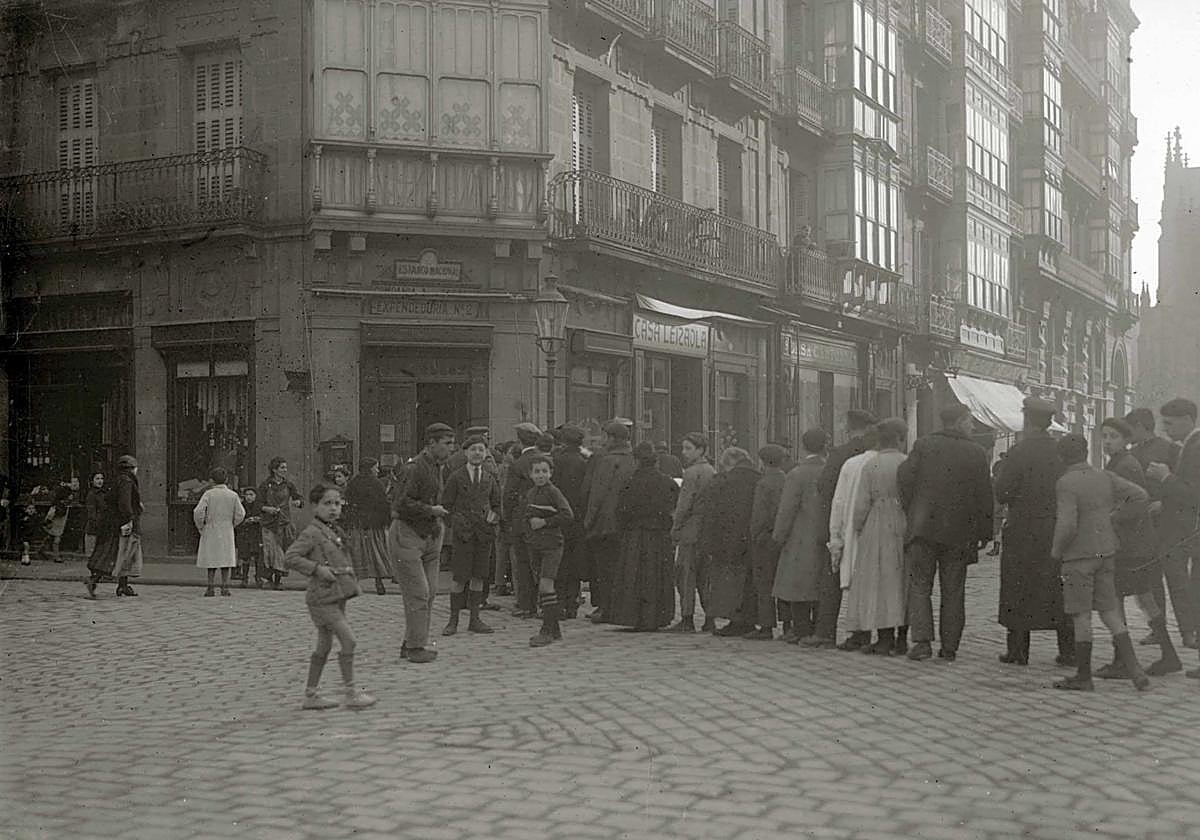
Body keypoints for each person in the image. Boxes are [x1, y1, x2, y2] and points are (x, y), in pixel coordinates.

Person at [1050, 434, 1151, 692]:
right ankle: (1135, 670)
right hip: (1106, 552)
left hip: (1078, 556)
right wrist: (1114, 518)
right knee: (1110, 612)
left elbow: (1067, 524)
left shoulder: (1066, 482)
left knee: (1081, 614)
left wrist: (1056, 551)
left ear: (1061, 457)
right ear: (1085, 452)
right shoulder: (1104, 476)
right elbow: (1140, 495)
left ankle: (1084, 676)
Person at [898, 405, 994, 663]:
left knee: (919, 586)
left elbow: (904, 478)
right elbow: (986, 496)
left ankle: (921, 642)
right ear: (961, 421)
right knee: (953, 591)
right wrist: (985, 532)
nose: (973, 427)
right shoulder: (976, 453)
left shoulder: (923, 445)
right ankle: (950, 647)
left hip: (922, 529)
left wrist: (912, 510)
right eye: (970, 422)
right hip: (960, 534)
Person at [1097, 417, 1180, 677]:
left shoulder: (1125, 465)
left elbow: (1135, 503)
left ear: (1125, 440)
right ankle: (1169, 655)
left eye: (1114, 437)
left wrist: (1109, 517)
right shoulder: (1122, 462)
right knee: (1145, 599)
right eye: (1105, 436)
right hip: (1138, 546)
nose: (1108, 441)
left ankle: (1122, 661)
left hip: (1129, 547)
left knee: (1117, 600)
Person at [994, 397, 1074, 666]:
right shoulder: (1061, 452)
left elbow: (1003, 492)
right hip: (1055, 527)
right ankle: (1068, 650)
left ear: (1027, 420)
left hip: (1023, 529)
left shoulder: (1019, 452)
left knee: (1018, 586)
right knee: (1058, 587)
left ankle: (1018, 650)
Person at [284, 482, 376, 711]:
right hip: (321, 598)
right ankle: (351, 693)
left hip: (336, 595)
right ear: (314, 506)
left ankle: (311, 695)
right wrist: (316, 569)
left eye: (337, 503)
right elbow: (291, 557)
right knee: (349, 641)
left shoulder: (333, 530)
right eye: (327, 504)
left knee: (324, 647)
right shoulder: (312, 532)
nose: (333, 508)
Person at [803, 409, 877, 649]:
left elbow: (825, 486)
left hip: (841, 521)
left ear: (849, 426)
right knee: (863, 577)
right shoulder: (875, 452)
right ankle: (862, 632)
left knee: (831, 578)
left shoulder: (842, 453)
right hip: (872, 521)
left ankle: (825, 632)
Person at [390, 422, 455, 664]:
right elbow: (400, 504)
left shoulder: (440, 467)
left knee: (430, 592)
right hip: (407, 535)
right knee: (419, 593)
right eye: (447, 443)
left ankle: (411, 642)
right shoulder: (413, 468)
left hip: (430, 535)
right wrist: (431, 510)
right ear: (431, 443)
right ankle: (416, 648)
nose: (451, 448)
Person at [843, 418, 909, 656]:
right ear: (901, 439)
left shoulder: (871, 465)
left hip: (877, 522)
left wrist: (859, 527)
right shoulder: (907, 462)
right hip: (902, 520)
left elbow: (861, 504)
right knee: (901, 579)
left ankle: (883, 638)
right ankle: (901, 638)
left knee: (878, 580)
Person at [1145, 398, 1200, 678]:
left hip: (1189, 531)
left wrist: (1165, 477)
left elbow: (1192, 493)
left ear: (1188, 419)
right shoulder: (1187, 446)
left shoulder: (1195, 447)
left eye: (1170, 423)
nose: (1166, 430)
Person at [1125, 408, 1186, 646]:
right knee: (1150, 580)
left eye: (1131, 429)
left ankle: (1188, 631)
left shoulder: (1171, 449)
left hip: (1168, 525)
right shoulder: (1133, 453)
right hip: (1143, 525)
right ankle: (1158, 629)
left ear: (1140, 426)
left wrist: (1165, 503)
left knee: (1176, 580)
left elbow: (1183, 484)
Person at [608, 442, 679, 631]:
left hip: (635, 535)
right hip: (659, 536)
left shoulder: (629, 482)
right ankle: (657, 616)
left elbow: (620, 511)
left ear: (637, 460)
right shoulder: (667, 482)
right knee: (657, 576)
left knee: (634, 575)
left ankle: (634, 616)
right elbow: (673, 508)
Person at [772, 429, 829, 644]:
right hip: (825, 533)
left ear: (804, 446)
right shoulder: (830, 470)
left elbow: (786, 509)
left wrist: (779, 535)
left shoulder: (797, 474)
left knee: (798, 583)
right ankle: (818, 627)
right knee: (819, 583)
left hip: (800, 535)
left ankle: (801, 628)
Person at [440, 435, 500, 636]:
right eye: (473, 449)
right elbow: (446, 505)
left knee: (479, 576)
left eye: (481, 450)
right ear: (465, 453)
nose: (477, 453)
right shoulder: (456, 477)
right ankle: (453, 621)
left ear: (485, 454)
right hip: (463, 535)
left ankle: (475, 619)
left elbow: (497, 505)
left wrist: (492, 518)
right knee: (459, 577)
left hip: (483, 535)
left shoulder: (490, 478)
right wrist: (457, 523)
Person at [825, 425, 879, 651]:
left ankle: (859, 632)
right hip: (885, 530)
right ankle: (887, 634)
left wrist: (835, 535)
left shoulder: (852, 464)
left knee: (857, 581)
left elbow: (838, 503)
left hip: (854, 530)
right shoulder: (899, 461)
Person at [580, 421, 637, 624]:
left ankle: (606, 608)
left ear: (612, 438)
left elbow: (596, 494)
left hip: (605, 523)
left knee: (604, 570)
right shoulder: (633, 459)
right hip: (626, 524)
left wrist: (588, 521)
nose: (603, 441)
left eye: (605, 437)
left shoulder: (606, 460)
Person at [702, 447, 760, 637]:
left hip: (727, 538)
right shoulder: (757, 478)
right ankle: (749, 619)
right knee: (749, 582)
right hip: (751, 538)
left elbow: (713, 512)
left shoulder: (725, 481)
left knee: (730, 583)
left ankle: (736, 620)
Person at [667, 432, 717, 633]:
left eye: (689, 448)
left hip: (690, 529)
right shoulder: (711, 471)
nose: (684, 452)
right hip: (707, 530)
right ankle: (709, 617)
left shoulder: (691, 473)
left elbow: (684, 505)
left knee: (685, 575)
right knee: (705, 576)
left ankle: (687, 618)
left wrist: (675, 527)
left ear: (701, 450)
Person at [524, 455, 575, 647]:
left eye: (544, 471)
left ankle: (546, 630)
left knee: (546, 585)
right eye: (536, 472)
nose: (540, 475)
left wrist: (545, 522)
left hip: (552, 544)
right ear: (530, 474)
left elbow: (567, 515)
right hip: (536, 545)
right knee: (542, 586)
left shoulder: (554, 492)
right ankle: (555, 630)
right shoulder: (530, 493)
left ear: (551, 473)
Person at [744, 444, 788, 640]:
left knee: (764, 583)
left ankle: (766, 625)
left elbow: (759, 515)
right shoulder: (785, 479)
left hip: (764, 538)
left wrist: (754, 534)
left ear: (763, 461)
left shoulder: (763, 484)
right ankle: (788, 624)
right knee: (783, 581)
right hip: (782, 537)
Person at [504, 423, 543, 617]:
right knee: (540, 563)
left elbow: (509, 495)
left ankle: (527, 605)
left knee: (524, 564)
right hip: (543, 519)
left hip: (522, 520)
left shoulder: (517, 464)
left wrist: (508, 518)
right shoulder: (545, 461)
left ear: (520, 441)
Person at [552, 426, 589, 619]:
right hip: (579, 518)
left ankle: (560, 603)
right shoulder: (584, 462)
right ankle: (573, 603)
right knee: (575, 562)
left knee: (560, 560)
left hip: (560, 517)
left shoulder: (557, 461)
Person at [193, 467, 246, 597]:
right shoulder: (233, 495)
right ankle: (225, 587)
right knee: (225, 559)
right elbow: (241, 513)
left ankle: (210, 587)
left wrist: (201, 525)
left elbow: (198, 512)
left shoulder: (208, 494)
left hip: (211, 527)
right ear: (226, 480)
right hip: (226, 528)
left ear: (211, 480)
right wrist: (232, 523)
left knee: (211, 559)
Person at [345, 458, 394, 596]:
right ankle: (379, 582)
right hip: (373, 524)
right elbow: (383, 504)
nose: (377, 470)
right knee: (375, 552)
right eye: (375, 467)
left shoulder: (354, 483)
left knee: (358, 553)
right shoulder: (376, 484)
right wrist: (386, 520)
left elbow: (349, 500)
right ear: (370, 468)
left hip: (358, 524)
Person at [259, 457, 302, 591]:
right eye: (282, 468)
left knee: (281, 551)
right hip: (269, 523)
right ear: (274, 470)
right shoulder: (265, 485)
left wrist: (298, 502)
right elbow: (258, 504)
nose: (285, 470)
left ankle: (278, 580)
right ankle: (270, 579)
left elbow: (297, 497)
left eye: (285, 467)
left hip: (284, 522)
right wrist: (267, 509)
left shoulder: (288, 485)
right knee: (270, 552)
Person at [110, 455, 144, 598]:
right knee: (126, 553)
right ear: (130, 468)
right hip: (127, 522)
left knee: (126, 552)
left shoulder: (120, 479)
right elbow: (124, 503)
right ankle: (120, 585)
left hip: (122, 521)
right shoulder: (126, 481)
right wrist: (129, 519)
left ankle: (122, 585)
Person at [44, 477, 79, 563]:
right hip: (57, 522)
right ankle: (56, 556)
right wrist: (48, 520)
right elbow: (50, 515)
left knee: (51, 535)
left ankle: (42, 549)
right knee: (57, 537)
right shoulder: (58, 507)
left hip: (58, 522)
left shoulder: (62, 505)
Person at [236, 486, 265, 587]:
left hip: (256, 534)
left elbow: (265, 519)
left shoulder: (260, 507)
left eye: (251, 495)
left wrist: (259, 520)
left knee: (258, 557)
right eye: (247, 495)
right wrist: (246, 521)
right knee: (245, 557)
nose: (248, 497)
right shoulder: (240, 506)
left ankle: (258, 577)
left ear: (255, 496)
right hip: (244, 535)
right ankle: (244, 578)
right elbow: (236, 520)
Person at [82, 471, 106, 559]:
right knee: (92, 555)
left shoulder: (104, 493)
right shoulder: (92, 495)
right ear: (92, 481)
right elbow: (91, 513)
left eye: (102, 479)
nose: (100, 481)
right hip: (94, 528)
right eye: (97, 479)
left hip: (102, 527)